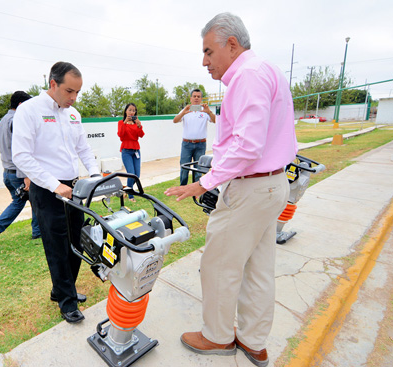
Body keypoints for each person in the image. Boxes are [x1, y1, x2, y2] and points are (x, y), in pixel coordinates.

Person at [165, 13, 297, 367]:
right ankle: (254, 341)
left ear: (232, 45)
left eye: (209, 51)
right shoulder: (265, 70)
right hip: (271, 185)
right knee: (258, 268)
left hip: (251, 189)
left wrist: (203, 183)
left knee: (219, 264)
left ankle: (218, 336)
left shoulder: (247, 76)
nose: (204, 61)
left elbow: (247, 144)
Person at [11, 62, 100, 324]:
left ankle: (62, 289)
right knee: (57, 246)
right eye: (69, 91)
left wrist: (94, 175)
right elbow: (21, 156)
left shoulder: (73, 114)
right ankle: (67, 301)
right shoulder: (30, 110)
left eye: (78, 93)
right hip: (47, 188)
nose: (73, 98)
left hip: (73, 188)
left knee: (78, 241)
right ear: (53, 84)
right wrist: (54, 184)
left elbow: (83, 148)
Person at [0, 91, 41, 250]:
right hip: (19, 173)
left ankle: (38, 231)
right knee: (25, 201)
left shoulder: (3, 121)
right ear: (21, 105)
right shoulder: (16, 121)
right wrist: (27, 175)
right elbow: (20, 150)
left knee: (33, 200)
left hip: (8, 172)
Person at [173, 89, 216, 185]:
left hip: (200, 144)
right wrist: (183, 112)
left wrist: (209, 112)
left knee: (199, 169)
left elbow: (215, 120)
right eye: (194, 96)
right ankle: (182, 189)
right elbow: (175, 120)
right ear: (191, 98)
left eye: (198, 96)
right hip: (187, 144)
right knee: (184, 168)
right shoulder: (186, 110)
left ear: (201, 98)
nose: (196, 98)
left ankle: (196, 190)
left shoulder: (205, 111)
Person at [117, 103, 144, 202]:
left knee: (137, 175)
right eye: (130, 110)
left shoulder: (136, 123)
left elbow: (141, 135)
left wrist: (139, 125)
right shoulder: (121, 123)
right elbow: (121, 135)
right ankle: (130, 195)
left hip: (136, 150)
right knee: (131, 174)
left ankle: (126, 190)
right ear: (126, 111)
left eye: (134, 110)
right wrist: (125, 123)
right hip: (126, 151)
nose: (132, 112)